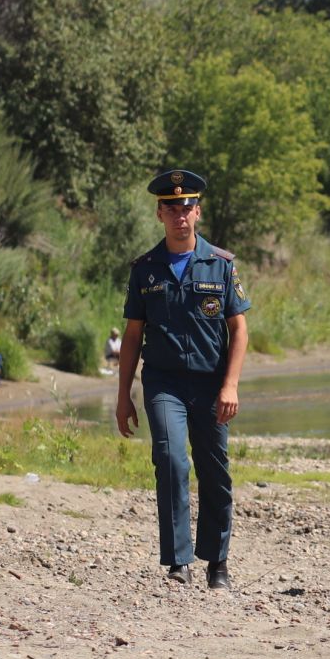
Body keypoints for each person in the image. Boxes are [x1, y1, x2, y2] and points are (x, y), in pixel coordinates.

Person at [115, 168, 250, 590]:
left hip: (211, 382)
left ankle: (217, 561)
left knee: (215, 471)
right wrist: (123, 396)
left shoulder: (221, 265)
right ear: (159, 213)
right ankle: (179, 561)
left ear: (198, 213)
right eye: (171, 208)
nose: (180, 215)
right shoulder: (145, 269)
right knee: (171, 460)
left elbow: (239, 329)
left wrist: (230, 385)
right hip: (164, 383)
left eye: (187, 207)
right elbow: (133, 335)